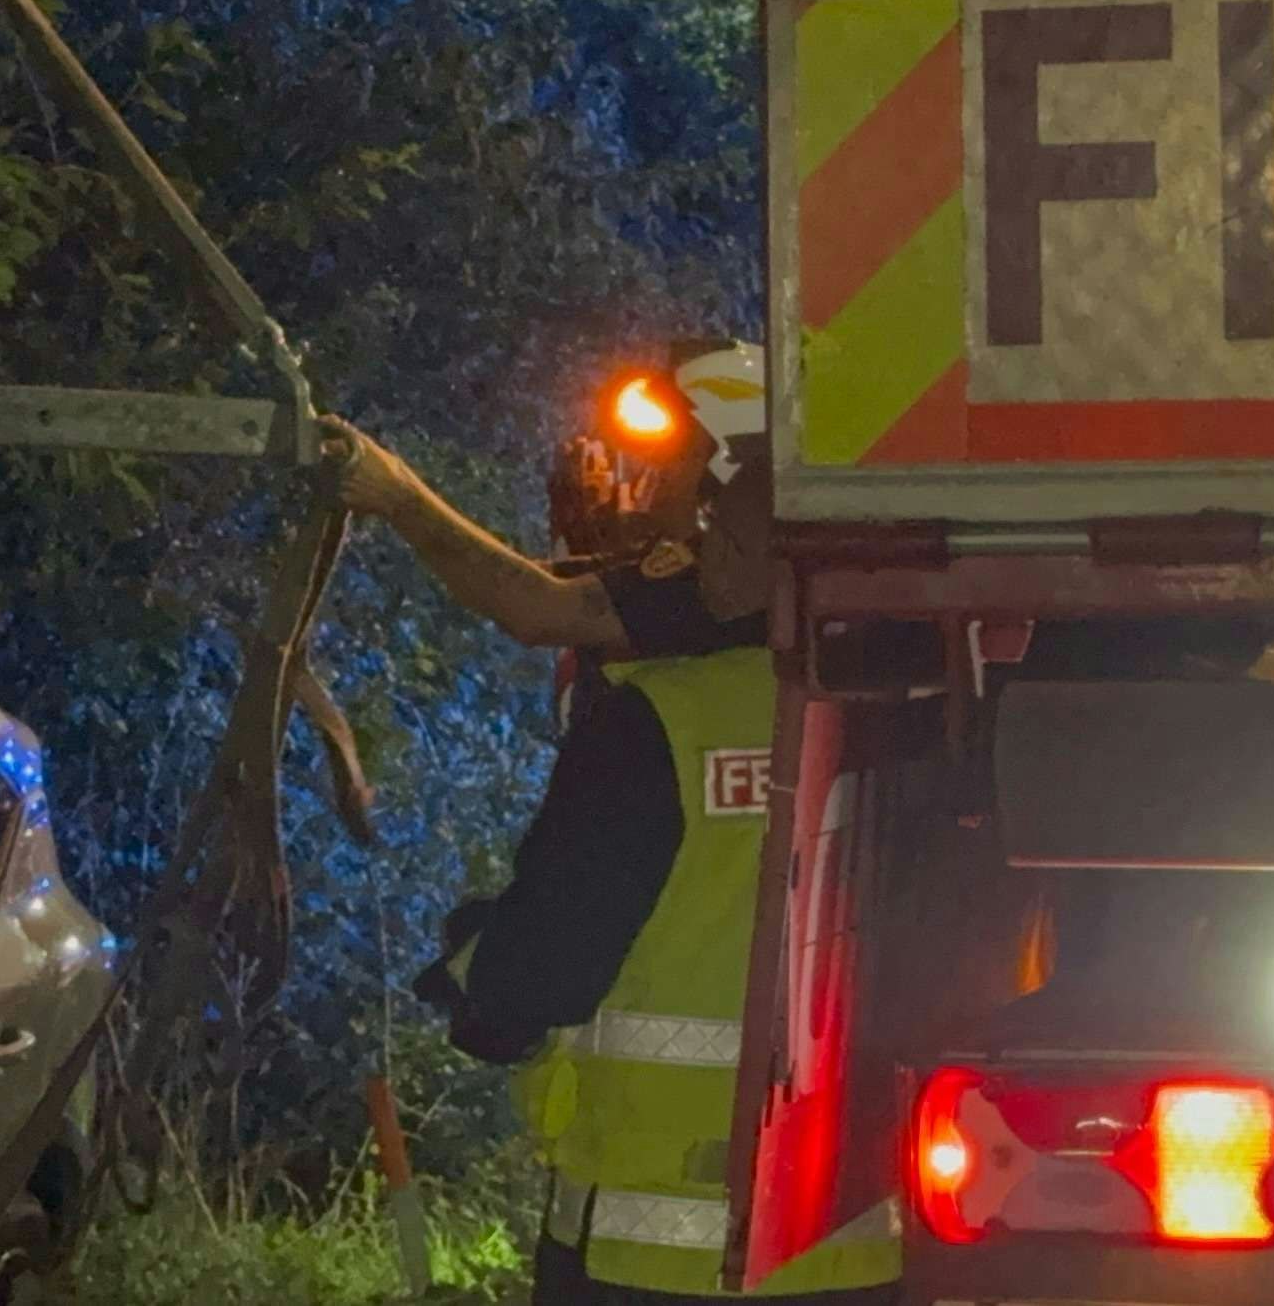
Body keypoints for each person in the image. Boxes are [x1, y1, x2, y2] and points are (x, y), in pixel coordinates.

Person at [330, 340, 901, 1305]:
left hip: (651, 1257)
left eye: (685, 496)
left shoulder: (657, 720)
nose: (660, 524)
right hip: (855, 1249)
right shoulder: (901, 709)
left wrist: (477, 969)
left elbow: (544, 960)